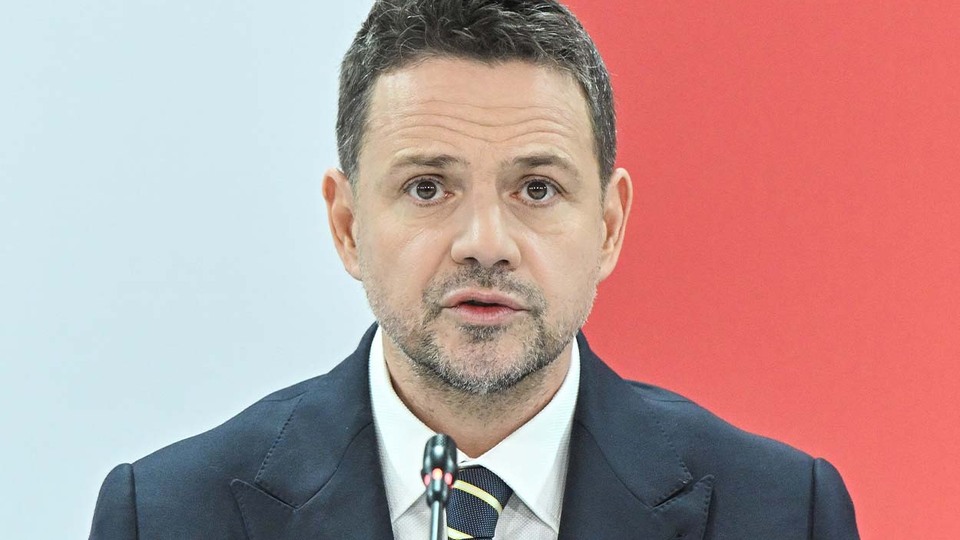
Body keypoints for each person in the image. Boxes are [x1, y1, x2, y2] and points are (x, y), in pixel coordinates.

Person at [89, 1, 859, 538]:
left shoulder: (784, 515)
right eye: (428, 187)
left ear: (608, 226)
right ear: (348, 224)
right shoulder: (165, 517)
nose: (485, 243)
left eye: (537, 188)